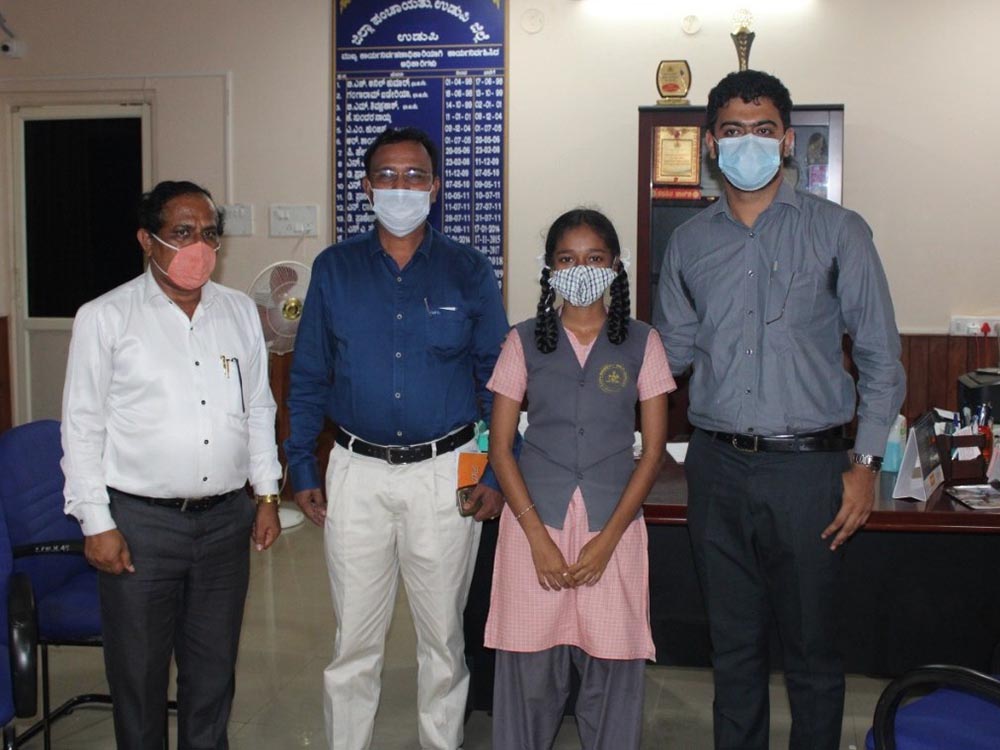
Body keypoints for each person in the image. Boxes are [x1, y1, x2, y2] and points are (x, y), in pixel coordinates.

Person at [654, 70, 906, 750]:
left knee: (812, 654)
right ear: (711, 144)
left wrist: (865, 466)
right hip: (716, 469)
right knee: (732, 652)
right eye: (733, 131)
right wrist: (588, 362)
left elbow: (881, 358)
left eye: (763, 129)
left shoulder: (839, 233)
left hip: (809, 473)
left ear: (787, 141)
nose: (749, 143)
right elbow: (668, 356)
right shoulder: (689, 244)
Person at [285, 126, 509, 750]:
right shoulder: (335, 269)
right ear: (366, 187)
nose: (401, 187)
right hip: (356, 471)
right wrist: (301, 466)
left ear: (435, 187)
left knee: (443, 640)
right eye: (387, 175)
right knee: (353, 641)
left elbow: (498, 380)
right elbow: (308, 375)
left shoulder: (468, 270)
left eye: (415, 176)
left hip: (446, 472)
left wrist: (494, 471)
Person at [61, 180, 283, 749]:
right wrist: (96, 522)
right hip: (140, 526)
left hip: (225, 522)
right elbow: (82, 427)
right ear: (147, 239)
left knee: (213, 674)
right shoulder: (105, 317)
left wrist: (266, 495)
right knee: (138, 677)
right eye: (182, 233)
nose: (198, 246)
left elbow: (259, 408)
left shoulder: (238, 312)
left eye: (209, 233)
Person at [485, 208, 674, 749]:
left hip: (612, 528)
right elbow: (501, 448)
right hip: (534, 526)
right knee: (529, 677)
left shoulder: (642, 342)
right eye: (567, 259)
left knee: (612, 672)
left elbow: (653, 451)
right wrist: (537, 539)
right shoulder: (522, 341)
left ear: (615, 266)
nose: (581, 270)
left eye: (594, 258)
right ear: (549, 268)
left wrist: (608, 540)